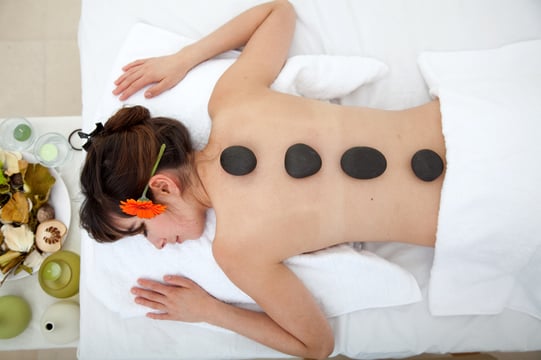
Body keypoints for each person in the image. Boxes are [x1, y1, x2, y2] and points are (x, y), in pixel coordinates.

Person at [80, 1, 445, 358]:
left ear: (162, 186)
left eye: (142, 227)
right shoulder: (231, 99)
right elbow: (277, 12)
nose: (157, 245)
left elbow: (316, 347)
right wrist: (185, 58)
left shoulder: (236, 252)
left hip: (470, 206)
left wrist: (210, 312)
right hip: (463, 120)